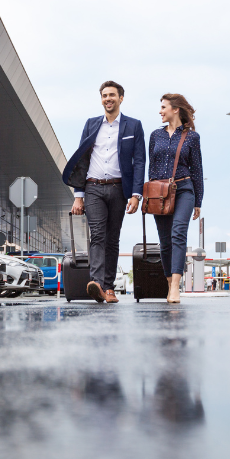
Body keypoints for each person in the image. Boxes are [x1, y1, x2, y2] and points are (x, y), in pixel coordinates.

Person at [61, 81, 146, 303]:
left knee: (112, 239)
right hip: (93, 188)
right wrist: (78, 195)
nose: (108, 99)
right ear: (101, 99)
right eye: (104, 95)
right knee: (97, 234)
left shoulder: (133, 126)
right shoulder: (91, 124)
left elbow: (139, 162)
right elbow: (81, 159)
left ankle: (109, 288)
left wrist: (136, 194)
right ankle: (97, 283)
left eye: (112, 95)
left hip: (119, 188)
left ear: (121, 98)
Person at [148, 94, 203, 304]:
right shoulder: (155, 135)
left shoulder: (191, 137)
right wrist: (150, 194)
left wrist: (198, 201)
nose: (160, 111)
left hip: (184, 189)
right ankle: (169, 281)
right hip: (160, 192)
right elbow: (151, 169)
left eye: (163, 107)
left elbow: (197, 170)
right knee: (164, 242)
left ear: (175, 109)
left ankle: (174, 287)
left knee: (178, 233)